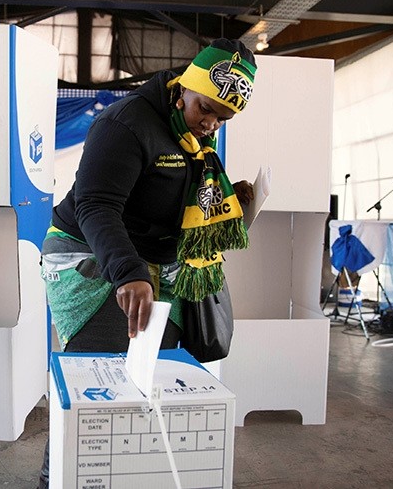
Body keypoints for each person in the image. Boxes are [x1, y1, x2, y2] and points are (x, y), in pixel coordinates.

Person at [37, 38, 258, 488]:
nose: (211, 123)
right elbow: (96, 205)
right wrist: (130, 273)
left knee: (155, 379)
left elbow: (176, 196)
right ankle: (56, 479)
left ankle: (136, 475)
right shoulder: (126, 124)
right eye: (206, 108)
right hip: (96, 257)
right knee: (98, 387)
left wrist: (232, 200)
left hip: (156, 264)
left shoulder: (192, 136)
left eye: (223, 117)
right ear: (186, 87)